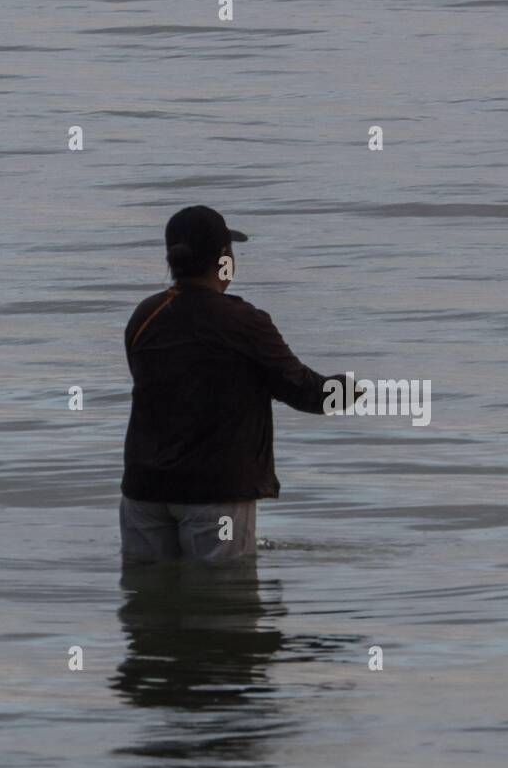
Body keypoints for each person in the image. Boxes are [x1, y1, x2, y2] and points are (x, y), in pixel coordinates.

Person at [120, 205, 349, 565]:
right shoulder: (244, 322)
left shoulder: (145, 316)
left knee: (150, 608)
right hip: (215, 497)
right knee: (224, 609)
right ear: (223, 260)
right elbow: (306, 393)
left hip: (143, 493)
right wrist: (361, 391)